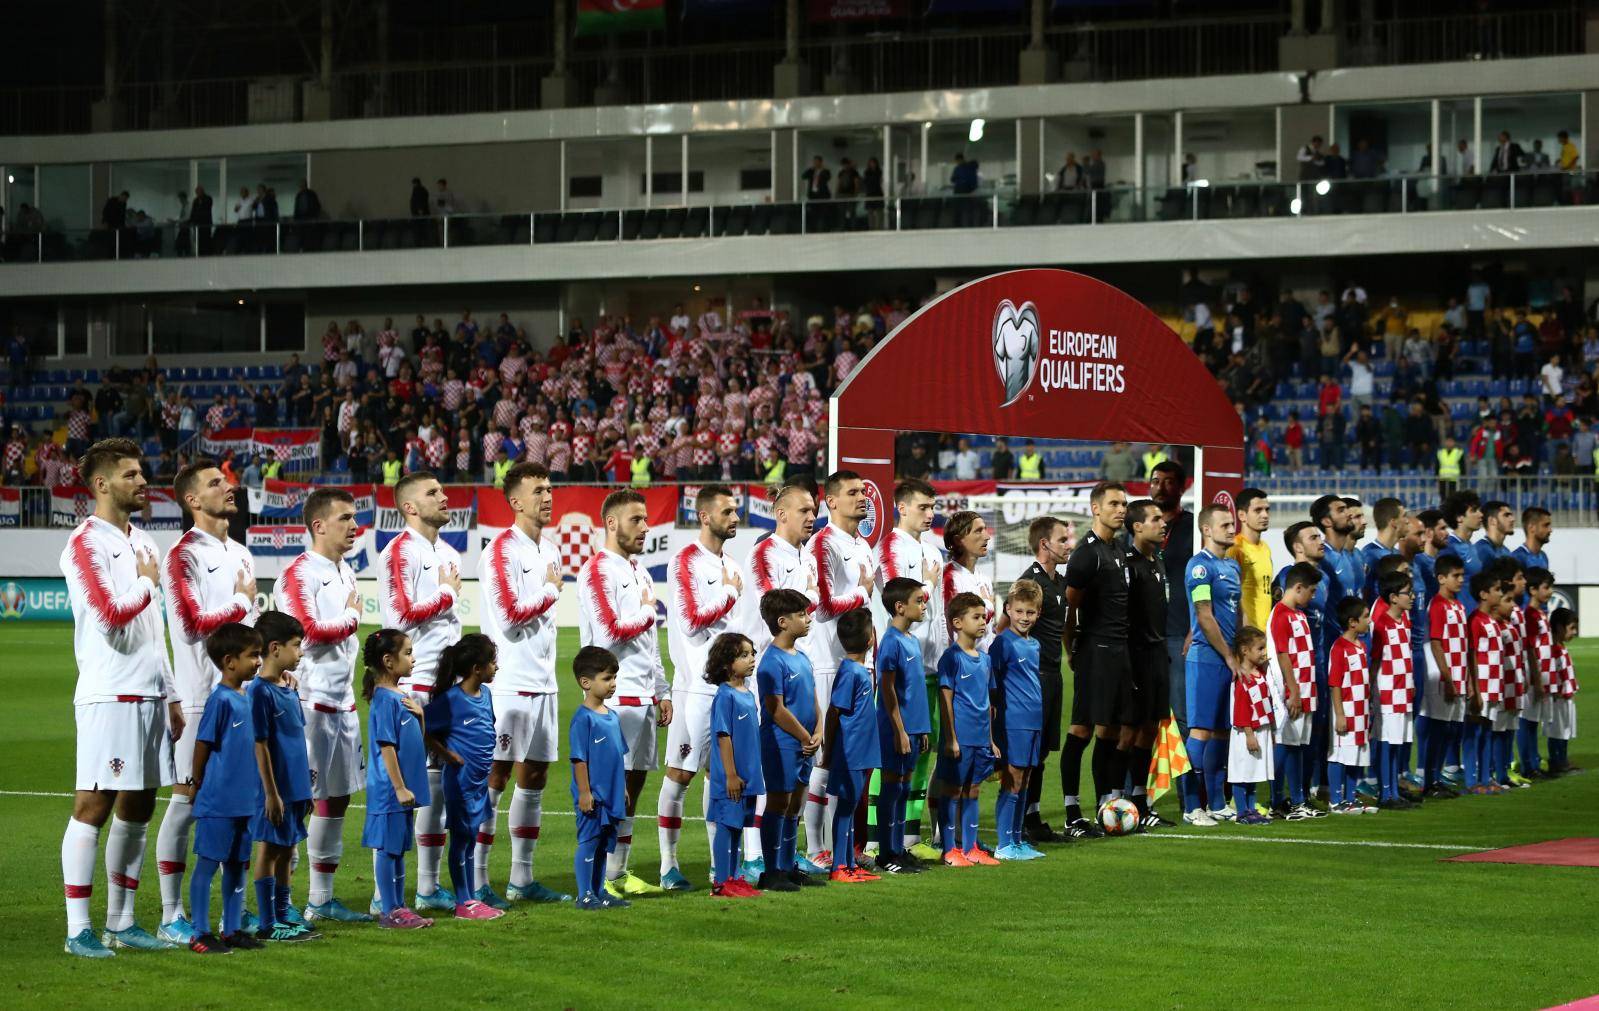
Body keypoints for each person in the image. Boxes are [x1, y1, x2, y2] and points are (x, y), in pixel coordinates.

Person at [58, 438, 179, 958]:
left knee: (140, 805)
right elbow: (110, 617)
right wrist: (148, 586)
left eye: (142, 471)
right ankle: (77, 929)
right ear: (102, 484)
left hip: (151, 695)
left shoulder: (146, 543)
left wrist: (171, 693)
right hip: (110, 693)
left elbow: (156, 628)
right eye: (131, 474)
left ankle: (122, 921)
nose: (143, 481)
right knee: (94, 804)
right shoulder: (85, 543)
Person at [154, 459, 259, 944]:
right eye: (216, 483)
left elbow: (250, 631)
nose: (229, 486)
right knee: (185, 801)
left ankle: (232, 919)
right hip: (199, 699)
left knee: (239, 807)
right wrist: (240, 604)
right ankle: (172, 913)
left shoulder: (240, 552)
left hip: (241, 700)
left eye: (227, 480)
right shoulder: (182, 555)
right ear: (193, 500)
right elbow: (195, 625)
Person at [474, 463, 568, 907]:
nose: (547, 497)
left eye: (550, 489)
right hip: (509, 683)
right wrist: (550, 592)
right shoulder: (500, 551)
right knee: (494, 777)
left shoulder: (548, 549)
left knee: (534, 779)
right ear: (515, 501)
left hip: (544, 685)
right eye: (538, 491)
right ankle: (476, 880)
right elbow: (510, 615)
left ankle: (521, 878)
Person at [277, 489, 367, 924]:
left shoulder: (345, 572)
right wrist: (351, 619)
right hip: (310, 705)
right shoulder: (299, 574)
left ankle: (321, 898)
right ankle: (282, 901)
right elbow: (306, 633)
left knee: (337, 799)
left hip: (343, 705)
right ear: (319, 526)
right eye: (346, 519)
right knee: (299, 801)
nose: (355, 526)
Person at [577, 489, 671, 899]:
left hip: (643, 698)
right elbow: (609, 633)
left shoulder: (641, 573)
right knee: (607, 792)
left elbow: (649, 643)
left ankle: (618, 872)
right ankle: (596, 877)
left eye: (647, 520)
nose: (646, 527)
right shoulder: (598, 570)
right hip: (612, 700)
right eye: (637, 520)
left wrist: (662, 689)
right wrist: (649, 611)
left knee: (633, 790)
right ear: (612, 523)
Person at [377, 470, 463, 912]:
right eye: (433, 493)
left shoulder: (447, 552)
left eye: (442, 490)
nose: (444, 497)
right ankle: (382, 895)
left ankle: (427, 886)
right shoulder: (399, 552)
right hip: (413, 686)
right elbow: (398, 617)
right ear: (409, 507)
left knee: (436, 787)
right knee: (405, 787)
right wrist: (446, 596)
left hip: (443, 686)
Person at [659, 485, 747, 889]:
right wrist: (729, 593)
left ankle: (719, 866)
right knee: (680, 774)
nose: (735, 517)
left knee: (721, 776)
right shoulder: (684, 563)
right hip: (695, 688)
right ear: (705, 516)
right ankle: (667, 866)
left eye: (736, 510)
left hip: (729, 692)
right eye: (727, 511)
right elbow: (692, 621)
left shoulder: (733, 564)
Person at [802, 471, 876, 866]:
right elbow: (824, 606)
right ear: (830, 502)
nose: (862, 498)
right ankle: (816, 849)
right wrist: (863, 589)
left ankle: (841, 848)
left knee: (846, 761)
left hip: (857, 666)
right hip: (828, 664)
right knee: (826, 760)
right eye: (851, 493)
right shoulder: (823, 544)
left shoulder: (862, 544)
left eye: (863, 491)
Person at [872, 478, 945, 857]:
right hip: (900, 663)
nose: (930, 514)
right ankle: (875, 838)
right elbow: (898, 596)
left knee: (920, 752)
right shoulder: (891, 548)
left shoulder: (933, 550)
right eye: (923, 507)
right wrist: (928, 586)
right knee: (890, 755)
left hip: (928, 664)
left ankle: (910, 835)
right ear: (901, 507)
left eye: (933, 507)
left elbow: (939, 612)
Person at [186, 623, 266, 954]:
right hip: (219, 800)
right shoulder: (220, 700)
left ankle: (231, 928)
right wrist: (197, 783)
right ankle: (200, 932)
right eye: (253, 655)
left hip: (245, 801)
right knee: (207, 865)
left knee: (237, 866)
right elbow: (203, 743)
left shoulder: (245, 697)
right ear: (230, 661)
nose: (259, 661)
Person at [1061, 482, 1132, 834]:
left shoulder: (1118, 548)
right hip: (1095, 651)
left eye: (1124, 503)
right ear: (1095, 509)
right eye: (1114, 503)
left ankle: (1107, 802)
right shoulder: (1087, 553)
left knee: (1113, 728)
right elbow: (1068, 606)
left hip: (1119, 652)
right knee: (1082, 727)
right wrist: (1072, 648)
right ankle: (1072, 811)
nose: (1121, 509)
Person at [246, 611, 320, 943]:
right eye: (296, 645)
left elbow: (294, 742)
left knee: (287, 850)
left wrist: (304, 788)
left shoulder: (288, 687)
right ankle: (267, 922)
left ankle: (281, 914)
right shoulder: (259, 692)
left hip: (295, 787)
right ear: (275, 648)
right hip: (275, 790)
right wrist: (270, 793)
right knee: (270, 851)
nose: (301, 652)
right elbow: (260, 744)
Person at [420, 634, 504, 922]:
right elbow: (423, 727)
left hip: (479, 781)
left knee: (471, 839)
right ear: (476, 669)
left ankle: (470, 898)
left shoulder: (487, 694)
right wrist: (446, 754)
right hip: (460, 782)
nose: (497, 667)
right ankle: (463, 901)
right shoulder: (451, 700)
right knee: (461, 840)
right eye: (493, 662)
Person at [360, 629, 433, 928]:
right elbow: (386, 745)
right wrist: (400, 786)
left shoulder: (400, 696)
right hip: (391, 790)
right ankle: (389, 910)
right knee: (388, 850)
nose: (413, 659)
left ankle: (399, 906)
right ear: (389, 661)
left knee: (399, 848)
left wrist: (421, 717)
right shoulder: (384, 700)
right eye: (408, 653)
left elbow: (416, 742)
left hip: (405, 788)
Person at [755, 588, 826, 888]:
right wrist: (805, 735)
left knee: (796, 804)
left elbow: (813, 700)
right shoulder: (772, 661)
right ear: (782, 622)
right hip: (782, 742)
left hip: (805, 743)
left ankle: (787, 864)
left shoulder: (803, 657)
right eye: (801, 615)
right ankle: (771, 871)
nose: (808, 619)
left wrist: (819, 731)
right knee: (778, 802)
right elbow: (776, 709)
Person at [1181, 504, 1242, 826]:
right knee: (1201, 730)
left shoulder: (1232, 566)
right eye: (1225, 524)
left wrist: (1239, 652)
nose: (1231, 529)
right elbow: (1204, 614)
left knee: (1221, 732)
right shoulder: (1200, 567)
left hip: (1228, 658)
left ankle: (1217, 801)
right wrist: (1230, 656)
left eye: (1232, 523)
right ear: (1206, 529)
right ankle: (1192, 806)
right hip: (1207, 658)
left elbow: (1235, 611)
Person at [935, 592, 1001, 867]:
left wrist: (991, 740)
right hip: (959, 739)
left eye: (984, 616)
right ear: (957, 623)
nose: (983, 622)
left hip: (980, 739)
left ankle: (971, 847)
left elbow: (987, 704)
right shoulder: (951, 658)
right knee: (951, 792)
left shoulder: (985, 660)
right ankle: (950, 849)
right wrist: (950, 738)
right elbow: (946, 699)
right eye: (976, 617)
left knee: (973, 791)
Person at [1017, 516, 1072, 842]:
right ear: (1044, 544)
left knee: (1041, 751)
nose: (1068, 545)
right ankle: (1021, 816)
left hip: (1053, 674)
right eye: (1062, 539)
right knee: (1027, 751)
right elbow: (1009, 629)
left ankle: (1032, 813)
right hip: (1033, 677)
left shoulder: (1059, 583)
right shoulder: (1031, 583)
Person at [873, 576, 933, 873]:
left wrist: (920, 729)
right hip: (896, 731)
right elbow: (887, 691)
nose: (924, 605)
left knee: (904, 788)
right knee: (891, 788)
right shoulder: (891, 642)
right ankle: (886, 853)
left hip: (913, 729)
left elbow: (914, 691)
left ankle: (898, 849)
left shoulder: (910, 640)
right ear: (900, 607)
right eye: (918, 601)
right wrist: (899, 731)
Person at [1121, 501, 1173, 828]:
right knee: (1128, 732)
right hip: (1134, 655)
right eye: (1155, 519)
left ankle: (1141, 801)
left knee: (1152, 729)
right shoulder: (1127, 563)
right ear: (1137, 526)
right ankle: (1117, 800)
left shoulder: (1158, 560)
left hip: (1158, 654)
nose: (1163, 523)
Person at [569, 646, 631, 911]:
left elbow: (618, 756)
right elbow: (579, 759)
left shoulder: (613, 717)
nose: (613, 684)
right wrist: (584, 792)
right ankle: (584, 894)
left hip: (612, 794)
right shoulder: (583, 719)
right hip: (593, 795)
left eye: (614, 678)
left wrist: (624, 788)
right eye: (606, 678)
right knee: (589, 842)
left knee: (605, 844)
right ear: (586, 682)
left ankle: (599, 891)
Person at [989, 580, 1046, 860]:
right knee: (1013, 779)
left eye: (1030, 612)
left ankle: (1017, 838)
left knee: (1025, 781)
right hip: (1014, 721)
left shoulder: (1033, 644)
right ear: (1008, 609)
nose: (1025, 617)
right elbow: (992, 683)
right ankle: (1004, 844)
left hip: (1034, 719)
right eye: (1020, 611)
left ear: (1038, 613)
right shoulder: (1002, 643)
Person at [824, 610, 882, 882]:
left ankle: (848, 863)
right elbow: (834, 711)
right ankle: (839, 866)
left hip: (863, 749)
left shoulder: (858, 670)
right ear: (871, 638)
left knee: (850, 804)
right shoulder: (850, 672)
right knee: (846, 807)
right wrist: (829, 750)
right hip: (850, 751)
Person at [1268, 562, 1324, 820]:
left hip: (1305, 691)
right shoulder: (1280, 614)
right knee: (1285, 745)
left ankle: (1299, 799)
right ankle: (1276, 800)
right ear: (1298, 587)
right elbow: (1283, 655)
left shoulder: (1299, 614)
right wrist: (1292, 691)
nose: (1313, 597)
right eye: (1311, 591)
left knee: (1298, 746)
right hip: (1291, 694)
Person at [1150, 460, 1195, 745]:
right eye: (1155, 481)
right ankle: (1133, 790)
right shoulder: (1138, 527)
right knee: (1139, 718)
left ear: (1181, 487)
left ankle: (1190, 790)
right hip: (1145, 635)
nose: (1160, 487)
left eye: (1168, 481)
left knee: (1182, 714)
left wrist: (1196, 627)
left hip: (1180, 632)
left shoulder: (1193, 527)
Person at [1422, 555, 1469, 796]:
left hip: (1458, 677)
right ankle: (1429, 782)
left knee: (1450, 731)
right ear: (1441, 578)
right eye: (1456, 576)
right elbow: (1437, 644)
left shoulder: (1458, 605)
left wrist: (1466, 678)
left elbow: (1463, 645)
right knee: (1438, 730)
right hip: (1443, 679)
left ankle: (1437, 778)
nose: (1461, 580)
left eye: (1462, 575)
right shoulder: (1438, 605)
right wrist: (1448, 678)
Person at [1372, 572, 1417, 809]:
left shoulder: (1404, 620)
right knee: (1387, 742)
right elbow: (1376, 660)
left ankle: (1393, 791)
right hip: (1387, 691)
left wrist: (1410, 682)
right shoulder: (1382, 624)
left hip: (1402, 689)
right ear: (1392, 597)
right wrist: (1372, 690)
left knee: (1397, 742)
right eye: (1406, 593)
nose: (1411, 597)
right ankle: (1386, 793)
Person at [1327, 598, 1374, 814]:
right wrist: (1339, 714)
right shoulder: (1339, 648)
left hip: (1361, 711)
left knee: (1357, 754)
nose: (1370, 620)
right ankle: (1336, 801)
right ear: (1352, 622)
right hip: (1345, 710)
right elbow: (1335, 683)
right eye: (1366, 617)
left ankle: (1350, 798)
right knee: (1339, 754)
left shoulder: (1361, 646)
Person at [1227, 627, 1275, 826]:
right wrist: (1248, 734)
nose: (1264, 652)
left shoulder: (1260, 673)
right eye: (1260, 648)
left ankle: (1251, 808)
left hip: (1261, 730)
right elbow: (1241, 709)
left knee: (1253, 772)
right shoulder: (1242, 678)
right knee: (1242, 773)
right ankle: (1242, 811)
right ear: (1245, 651)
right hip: (1247, 733)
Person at [1464, 572, 1505, 794]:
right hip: (1482, 686)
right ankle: (1472, 781)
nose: (1500, 593)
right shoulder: (1475, 620)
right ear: (1483, 594)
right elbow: (1471, 656)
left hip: (1493, 685)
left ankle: (1485, 778)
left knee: (1488, 730)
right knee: (1474, 731)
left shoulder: (1492, 621)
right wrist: (1475, 690)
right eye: (1497, 590)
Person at [1516, 568, 1555, 778]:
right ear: (1532, 590)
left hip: (1542, 674)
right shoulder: (1529, 615)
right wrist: (1537, 678)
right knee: (1527, 721)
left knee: (1534, 720)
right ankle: (1527, 765)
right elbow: (1530, 648)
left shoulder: (1540, 613)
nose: (1550, 592)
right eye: (1546, 587)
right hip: (1533, 675)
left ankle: (1534, 762)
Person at [1227, 487, 1273, 631]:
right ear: (1242, 515)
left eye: (1267, 510)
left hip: (1265, 634)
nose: (1265, 515)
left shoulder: (1265, 548)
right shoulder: (1235, 549)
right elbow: (1229, 595)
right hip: (1247, 636)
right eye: (1258, 510)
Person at [1439, 491, 1485, 614]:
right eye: (1474, 510)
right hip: (1459, 616)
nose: (1481, 514)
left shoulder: (1472, 546)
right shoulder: (1449, 547)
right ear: (1459, 517)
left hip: (1474, 615)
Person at [1545, 608, 1579, 775]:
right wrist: (1555, 691)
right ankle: (1556, 761)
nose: (1575, 632)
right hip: (1558, 698)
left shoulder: (1560, 647)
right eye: (1571, 628)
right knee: (1557, 731)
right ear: (1559, 627)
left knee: (1565, 730)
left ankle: (1563, 760)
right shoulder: (1553, 649)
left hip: (1566, 697)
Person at [1360, 497, 1408, 601]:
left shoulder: (1396, 553)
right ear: (1393, 522)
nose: (1407, 521)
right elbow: (1364, 593)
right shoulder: (1370, 555)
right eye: (1404, 516)